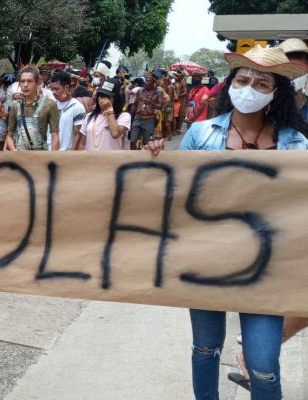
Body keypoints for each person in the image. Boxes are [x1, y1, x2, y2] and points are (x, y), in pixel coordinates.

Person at [146, 45, 308, 400]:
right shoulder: (199, 134)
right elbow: (173, 195)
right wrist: (158, 161)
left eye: (261, 82)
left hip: (268, 270)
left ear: (276, 93)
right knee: (205, 349)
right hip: (208, 261)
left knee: (263, 366)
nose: (249, 87)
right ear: (231, 83)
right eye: (242, 78)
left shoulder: (297, 146)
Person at [5, 65, 59, 151]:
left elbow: (55, 135)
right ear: (19, 84)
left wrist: (52, 159)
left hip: (40, 157)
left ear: (38, 83)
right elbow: (9, 135)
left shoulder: (50, 104)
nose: (25, 85)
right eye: (22, 81)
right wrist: (14, 151)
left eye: (29, 81)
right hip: (20, 157)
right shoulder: (15, 106)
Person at [78, 78, 130, 151]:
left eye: (107, 97)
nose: (103, 100)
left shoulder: (124, 116)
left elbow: (115, 133)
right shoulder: (89, 116)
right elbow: (82, 143)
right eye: (101, 96)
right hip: (90, 161)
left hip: (111, 161)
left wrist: (109, 110)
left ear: (115, 99)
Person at [48, 71, 87, 151]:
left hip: (65, 155)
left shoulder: (77, 107)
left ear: (66, 87)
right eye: (52, 89)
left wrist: (71, 156)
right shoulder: (52, 105)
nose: (54, 92)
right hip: (48, 152)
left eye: (57, 89)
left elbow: (77, 135)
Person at [128, 73, 164, 150]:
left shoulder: (158, 92)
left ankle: (145, 160)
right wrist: (130, 117)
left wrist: (152, 103)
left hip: (149, 119)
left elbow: (160, 106)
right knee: (132, 141)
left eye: (148, 81)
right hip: (137, 118)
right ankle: (132, 158)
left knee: (147, 144)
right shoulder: (140, 91)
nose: (146, 82)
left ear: (154, 82)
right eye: (146, 80)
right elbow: (135, 105)